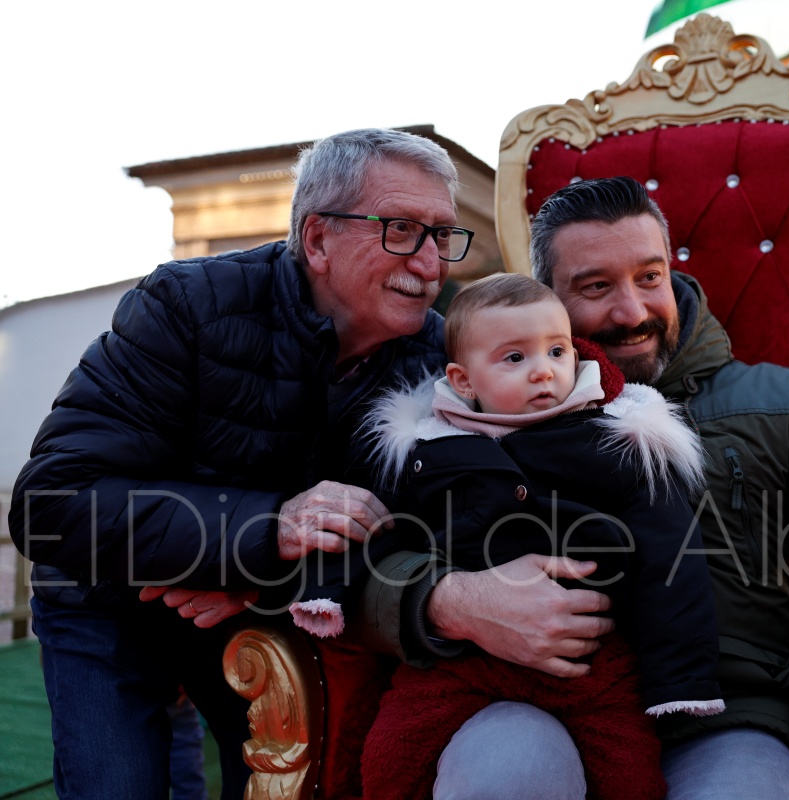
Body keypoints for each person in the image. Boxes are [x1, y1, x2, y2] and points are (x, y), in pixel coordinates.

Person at [354, 176, 789, 799]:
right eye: (596, 288)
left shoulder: (774, 404)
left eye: (649, 277)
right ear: (548, 301)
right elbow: (369, 559)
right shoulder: (459, 417)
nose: (631, 311)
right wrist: (451, 600)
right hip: (520, 697)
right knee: (508, 775)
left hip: (724, 718)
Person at [7, 128, 470, 800]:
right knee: (119, 783)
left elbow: (413, 524)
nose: (430, 262)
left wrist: (258, 578)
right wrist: (268, 531)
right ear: (318, 240)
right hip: (106, 596)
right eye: (401, 230)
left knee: (288, 778)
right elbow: (51, 503)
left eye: (443, 235)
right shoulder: (187, 304)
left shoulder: (436, 357)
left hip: (253, 603)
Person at [292, 271, 722, 799]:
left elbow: (671, 555)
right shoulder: (428, 450)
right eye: (515, 358)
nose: (543, 370)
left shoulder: (615, 441)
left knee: (630, 777)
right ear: (464, 380)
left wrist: (682, 682)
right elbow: (371, 524)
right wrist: (324, 589)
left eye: (557, 351)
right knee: (390, 757)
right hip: (464, 662)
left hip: (592, 663)